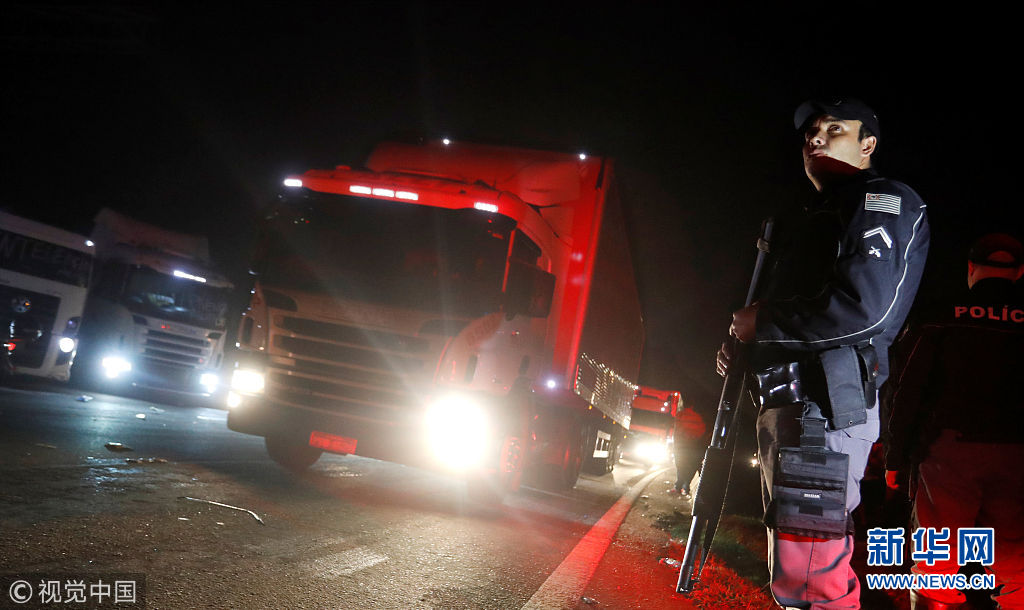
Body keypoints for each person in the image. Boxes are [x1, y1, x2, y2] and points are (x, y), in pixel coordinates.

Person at [717, 97, 930, 609]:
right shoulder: (821, 213)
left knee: (811, 577)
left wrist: (765, 323)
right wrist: (747, 343)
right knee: (799, 570)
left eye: (834, 128)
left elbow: (864, 311)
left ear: (867, 144)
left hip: (822, 410)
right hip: (794, 404)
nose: (815, 136)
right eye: (811, 130)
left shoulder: (881, 199)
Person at [884, 233, 1024, 610]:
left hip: (949, 454)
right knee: (1015, 566)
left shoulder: (940, 315)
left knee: (937, 560)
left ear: (971, 268)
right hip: (1017, 456)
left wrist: (895, 458)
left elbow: (907, 388)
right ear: (1019, 272)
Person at [670, 398, 706, 495]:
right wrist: (694, 438)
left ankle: (678, 487)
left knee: (680, 466)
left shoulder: (680, 415)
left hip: (681, 445)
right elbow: (702, 430)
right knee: (690, 467)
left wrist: (677, 442)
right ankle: (686, 487)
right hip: (693, 445)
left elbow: (677, 430)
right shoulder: (697, 416)